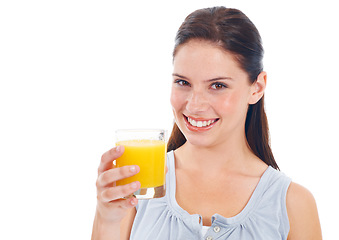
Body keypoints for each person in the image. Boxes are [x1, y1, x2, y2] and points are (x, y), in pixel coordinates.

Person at [92, 6, 322, 240]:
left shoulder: (293, 204)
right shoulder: (137, 188)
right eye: (183, 82)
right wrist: (106, 219)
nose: (194, 105)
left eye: (218, 85)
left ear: (257, 88)